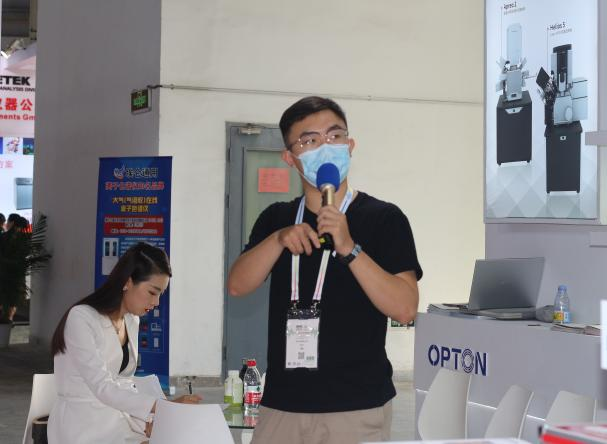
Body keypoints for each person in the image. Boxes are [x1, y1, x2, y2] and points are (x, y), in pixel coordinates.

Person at [227, 96, 422, 444]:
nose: (326, 148)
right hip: (283, 405)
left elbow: (405, 308)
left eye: (335, 136)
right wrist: (278, 240)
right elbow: (238, 285)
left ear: (350, 145)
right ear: (290, 158)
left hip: (356, 406)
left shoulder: (384, 218)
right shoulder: (277, 218)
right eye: (310, 141)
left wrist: (350, 248)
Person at [48, 242, 201, 444]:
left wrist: (150, 418)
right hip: (83, 427)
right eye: (152, 292)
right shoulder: (82, 318)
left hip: (118, 422)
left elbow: (124, 384)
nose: (156, 303)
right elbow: (103, 387)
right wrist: (164, 408)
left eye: (160, 295)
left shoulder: (131, 320)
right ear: (128, 282)